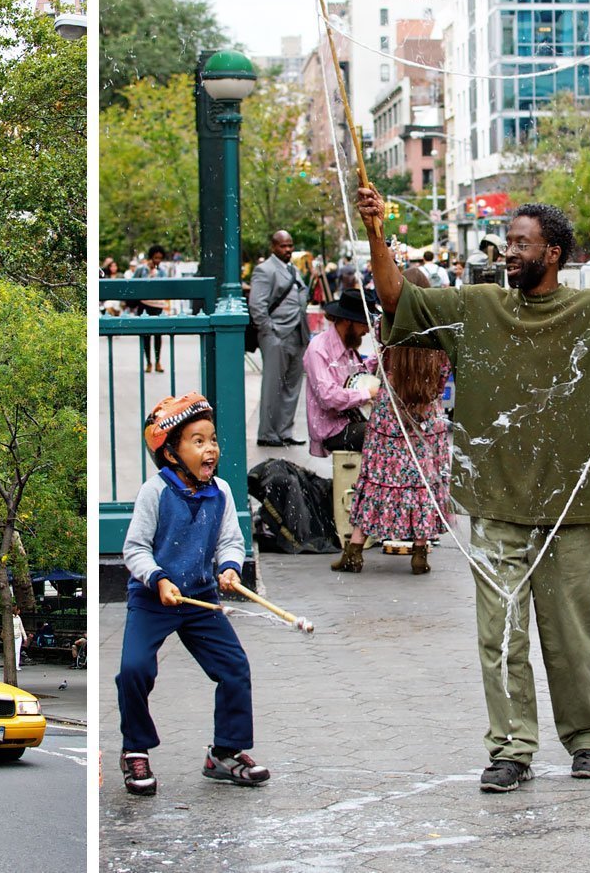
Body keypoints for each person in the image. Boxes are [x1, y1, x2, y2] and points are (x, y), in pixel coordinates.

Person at [355, 184, 590, 794]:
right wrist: (377, 234)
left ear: (554, 253)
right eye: (507, 243)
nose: (508, 252)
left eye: (521, 243)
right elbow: (396, 297)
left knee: (572, 638)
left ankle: (587, 741)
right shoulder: (477, 305)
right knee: (501, 636)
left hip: (572, 505)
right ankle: (510, 749)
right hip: (494, 506)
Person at [117, 392, 270, 795]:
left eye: (213, 439)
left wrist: (230, 569)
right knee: (133, 671)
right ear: (171, 453)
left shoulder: (220, 491)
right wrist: (159, 579)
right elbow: (134, 549)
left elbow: (231, 541)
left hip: (200, 597)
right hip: (154, 597)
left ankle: (225, 753)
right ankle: (136, 750)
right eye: (198, 441)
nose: (211, 449)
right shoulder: (155, 492)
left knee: (234, 668)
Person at [333, 268, 452, 576]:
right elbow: (441, 381)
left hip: (390, 416)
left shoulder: (385, 326)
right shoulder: (441, 331)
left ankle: (355, 551)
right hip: (426, 417)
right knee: (422, 484)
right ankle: (420, 552)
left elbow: (381, 365)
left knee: (376, 482)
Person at [248, 230, 309, 448]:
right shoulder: (264, 270)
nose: (288, 250)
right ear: (273, 247)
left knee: (292, 385)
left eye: (290, 245)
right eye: (283, 246)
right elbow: (257, 304)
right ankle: (267, 432)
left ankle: (284, 430)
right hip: (277, 335)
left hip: (298, 333)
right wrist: (269, 331)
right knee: (273, 385)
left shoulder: (293, 269)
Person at [302, 288, 378, 458]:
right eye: (363, 323)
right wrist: (367, 394)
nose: (367, 329)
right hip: (332, 430)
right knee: (381, 432)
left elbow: (356, 378)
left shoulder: (348, 346)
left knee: (390, 424)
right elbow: (327, 397)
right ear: (347, 321)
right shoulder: (319, 349)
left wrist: (378, 359)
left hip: (350, 421)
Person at [131, 245, 174, 373]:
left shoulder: (162, 270)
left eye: (160, 258)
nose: (157, 260)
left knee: (158, 335)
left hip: (157, 305)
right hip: (144, 304)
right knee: (146, 335)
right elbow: (134, 283)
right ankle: (148, 362)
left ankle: (157, 361)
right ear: (151, 257)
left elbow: (164, 285)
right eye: (155, 257)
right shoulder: (141, 269)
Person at [12, 605, 26, 670]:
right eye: (19, 610)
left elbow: (21, 627)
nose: (20, 611)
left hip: (18, 636)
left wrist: (24, 637)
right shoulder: (10, 617)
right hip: (12, 637)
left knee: (17, 651)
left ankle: (16, 665)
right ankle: (12, 665)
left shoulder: (18, 618)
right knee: (13, 651)